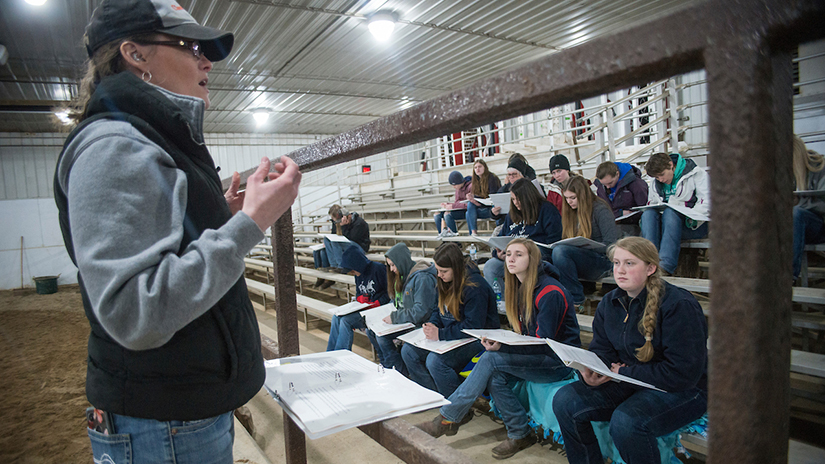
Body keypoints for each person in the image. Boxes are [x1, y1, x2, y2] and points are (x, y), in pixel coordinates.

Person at [53, 1, 302, 462]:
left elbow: (160, 248)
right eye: (189, 46)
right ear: (136, 54)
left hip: (175, 411)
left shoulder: (145, 135)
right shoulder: (116, 144)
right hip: (163, 422)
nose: (206, 60)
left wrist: (218, 217)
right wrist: (251, 224)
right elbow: (134, 311)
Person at [418, 238, 581, 460]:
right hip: (538, 355)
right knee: (494, 374)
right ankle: (519, 432)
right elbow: (528, 339)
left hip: (559, 362)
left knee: (490, 361)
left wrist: (505, 350)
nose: (511, 258)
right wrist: (502, 345)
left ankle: (447, 417)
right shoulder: (521, 287)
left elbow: (543, 343)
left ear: (532, 259)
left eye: (519, 254)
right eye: (509, 253)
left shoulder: (549, 292)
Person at [553, 237, 708, 464]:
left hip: (683, 389)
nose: (620, 270)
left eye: (629, 263)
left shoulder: (678, 304)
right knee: (565, 400)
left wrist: (624, 374)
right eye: (616, 263)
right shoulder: (610, 302)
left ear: (650, 268)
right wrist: (592, 372)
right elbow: (602, 350)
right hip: (629, 379)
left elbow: (683, 373)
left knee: (627, 422)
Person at [401, 243, 499, 397]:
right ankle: (434, 395)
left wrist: (440, 334)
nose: (439, 275)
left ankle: (454, 405)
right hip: (451, 334)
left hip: (477, 339)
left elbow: (474, 327)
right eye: (438, 270)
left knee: (435, 361)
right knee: (408, 351)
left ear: (456, 268)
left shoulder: (475, 286)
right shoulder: (444, 281)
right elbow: (437, 309)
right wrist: (433, 323)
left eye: (443, 271)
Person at [368, 242, 438, 375]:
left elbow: (421, 312)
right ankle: (388, 366)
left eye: (393, 265)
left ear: (401, 261)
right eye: (389, 266)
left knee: (382, 338)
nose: (392, 269)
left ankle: (400, 374)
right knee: (370, 330)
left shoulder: (422, 277)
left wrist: (394, 317)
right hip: (406, 319)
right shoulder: (402, 276)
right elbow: (395, 302)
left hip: (418, 323)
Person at [554, 176, 619, 310]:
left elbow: (612, 244)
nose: (569, 202)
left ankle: (575, 300)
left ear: (582, 196)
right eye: (566, 198)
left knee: (560, 252)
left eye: (573, 198)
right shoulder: (570, 211)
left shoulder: (600, 209)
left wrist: (588, 246)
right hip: (581, 258)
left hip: (602, 260)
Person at [483, 178, 562, 288]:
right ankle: (503, 302)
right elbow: (501, 238)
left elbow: (553, 242)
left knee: (522, 261)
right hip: (512, 254)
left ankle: (528, 298)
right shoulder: (512, 214)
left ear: (528, 197)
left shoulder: (547, 209)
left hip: (536, 254)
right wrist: (498, 254)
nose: (516, 203)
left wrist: (527, 253)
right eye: (513, 199)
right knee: (490, 267)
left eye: (519, 199)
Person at [640, 152, 710, 276]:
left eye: (662, 175)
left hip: (693, 225)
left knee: (670, 212)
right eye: (657, 178)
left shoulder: (697, 174)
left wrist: (692, 218)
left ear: (671, 165)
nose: (661, 179)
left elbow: (707, 202)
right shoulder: (657, 183)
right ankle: (648, 262)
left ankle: (665, 266)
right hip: (668, 225)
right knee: (648, 214)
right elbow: (652, 202)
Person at [326, 244, 390, 352]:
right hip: (364, 309)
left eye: (353, 270)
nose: (353, 273)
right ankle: (331, 352)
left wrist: (377, 302)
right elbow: (358, 293)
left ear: (358, 265)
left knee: (346, 321)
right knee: (336, 318)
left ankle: (342, 355)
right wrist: (360, 298)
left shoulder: (378, 269)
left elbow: (390, 293)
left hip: (378, 310)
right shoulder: (358, 275)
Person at [792, 135, 825, 281]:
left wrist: (799, 203)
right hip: (796, 227)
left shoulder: (820, 167)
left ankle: (788, 276)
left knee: (796, 213)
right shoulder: (785, 174)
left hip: (819, 226)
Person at [313, 204, 371, 288]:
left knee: (334, 242)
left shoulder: (359, 223)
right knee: (322, 248)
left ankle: (340, 266)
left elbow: (351, 238)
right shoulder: (337, 222)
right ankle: (325, 273)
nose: (336, 223)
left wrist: (344, 226)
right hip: (345, 245)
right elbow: (334, 235)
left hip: (359, 247)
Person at [465, 159, 502, 236]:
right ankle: (473, 233)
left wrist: (479, 200)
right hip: (484, 207)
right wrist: (473, 199)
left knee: (469, 213)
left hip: (493, 208)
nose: (477, 169)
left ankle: (499, 231)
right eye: (475, 167)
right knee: (469, 208)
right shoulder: (475, 181)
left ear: (484, 167)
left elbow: (494, 196)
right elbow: (480, 201)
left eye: (479, 167)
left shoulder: (492, 178)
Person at [435, 171, 472, 237]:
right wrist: (447, 204)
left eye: (454, 185)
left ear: (460, 182)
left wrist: (453, 206)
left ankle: (454, 239)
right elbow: (457, 202)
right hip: (461, 209)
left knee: (447, 214)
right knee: (437, 215)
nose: (453, 187)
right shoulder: (458, 189)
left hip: (468, 211)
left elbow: (470, 204)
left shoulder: (470, 187)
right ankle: (443, 238)